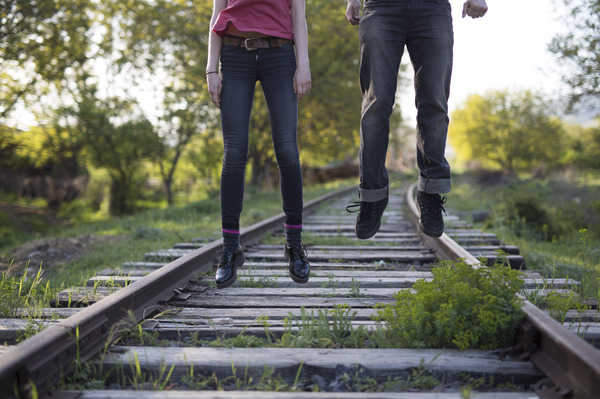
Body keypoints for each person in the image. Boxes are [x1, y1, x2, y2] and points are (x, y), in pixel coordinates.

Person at [345, 0, 488, 238]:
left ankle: (431, 194)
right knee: (375, 105)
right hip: (381, 7)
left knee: (434, 103)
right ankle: (373, 196)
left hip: (432, 8)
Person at [206, 0, 312, 289]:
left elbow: (297, 15)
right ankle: (230, 250)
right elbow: (218, 16)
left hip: (279, 56)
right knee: (234, 153)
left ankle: (294, 246)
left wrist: (303, 63)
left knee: (287, 150)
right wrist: (211, 70)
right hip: (233, 54)